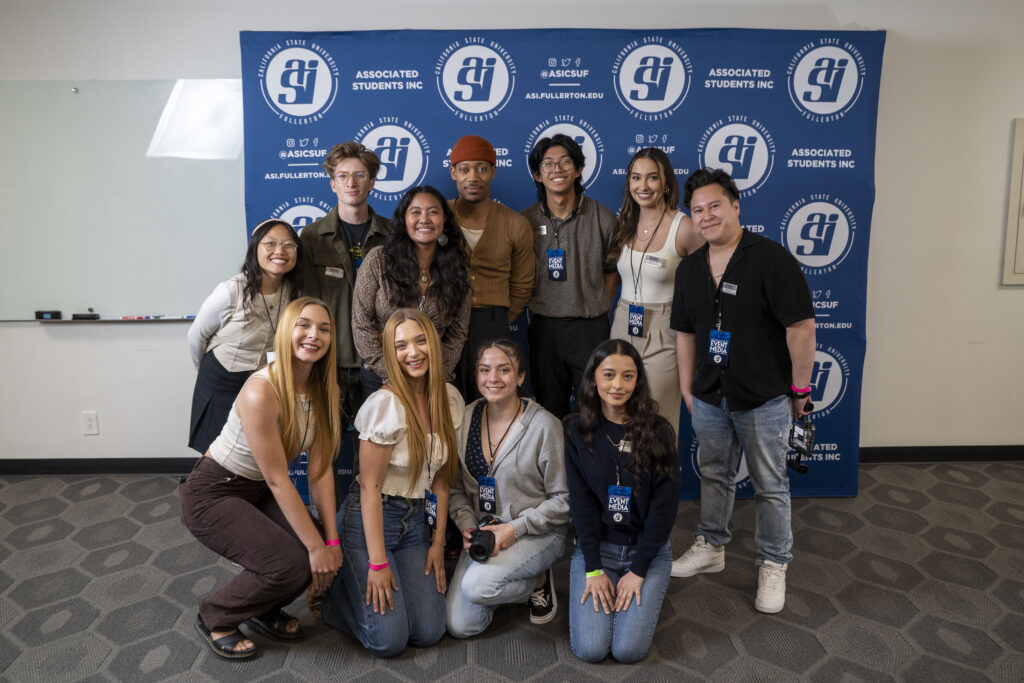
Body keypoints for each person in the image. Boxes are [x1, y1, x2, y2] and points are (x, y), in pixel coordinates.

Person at [669, 168, 815, 614]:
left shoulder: (771, 259)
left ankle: (774, 562)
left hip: (764, 396)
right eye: (697, 210)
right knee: (714, 473)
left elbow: (801, 328)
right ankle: (712, 545)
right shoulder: (691, 267)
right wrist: (687, 389)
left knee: (770, 485)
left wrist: (800, 389)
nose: (707, 216)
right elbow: (686, 334)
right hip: (711, 395)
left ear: (736, 206)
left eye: (715, 205)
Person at [180, 297, 343, 660]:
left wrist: (330, 540)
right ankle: (215, 615)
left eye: (324, 328)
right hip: (213, 492)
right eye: (303, 325)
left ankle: (262, 608)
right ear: (286, 331)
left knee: (309, 544)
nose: (313, 335)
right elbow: (278, 480)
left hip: (255, 489)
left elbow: (319, 471)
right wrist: (318, 549)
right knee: (292, 560)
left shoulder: (323, 389)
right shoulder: (261, 390)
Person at [320, 308, 464, 657]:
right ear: (390, 352)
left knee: (430, 631)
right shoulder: (384, 405)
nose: (412, 353)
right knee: (389, 641)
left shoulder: (449, 399)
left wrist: (438, 542)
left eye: (419, 341)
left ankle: (369, 587)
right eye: (401, 346)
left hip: (415, 523)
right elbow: (369, 487)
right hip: (370, 522)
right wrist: (378, 564)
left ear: (432, 342)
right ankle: (337, 598)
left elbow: (442, 483)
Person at [564, 339, 680, 663]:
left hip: (648, 551)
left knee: (628, 651)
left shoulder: (659, 432)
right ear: (593, 379)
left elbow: (664, 507)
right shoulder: (576, 430)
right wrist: (593, 569)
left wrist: (639, 569)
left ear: (638, 380)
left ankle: (642, 588)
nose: (618, 385)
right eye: (609, 374)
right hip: (598, 546)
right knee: (591, 649)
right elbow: (581, 504)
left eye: (628, 376)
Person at [446, 340, 569, 637]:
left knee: (477, 586)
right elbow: (455, 489)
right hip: (486, 532)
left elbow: (565, 500)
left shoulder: (544, 427)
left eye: (504, 370)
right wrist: (466, 525)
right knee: (460, 626)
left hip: (537, 531)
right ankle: (507, 580)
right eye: (485, 370)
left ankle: (538, 578)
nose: (493, 378)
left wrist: (515, 529)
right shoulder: (464, 419)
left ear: (521, 377)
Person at [522, 134, 618, 419]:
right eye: (548, 164)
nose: (557, 169)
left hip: (590, 328)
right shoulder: (524, 221)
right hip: (545, 329)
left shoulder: (603, 217)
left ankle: (590, 464)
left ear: (578, 169)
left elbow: (612, 272)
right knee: (550, 412)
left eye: (565, 162)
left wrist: (596, 305)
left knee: (595, 410)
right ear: (538, 174)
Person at [187, 219, 302, 454]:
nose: (279, 251)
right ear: (255, 248)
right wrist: (207, 373)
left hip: (262, 382)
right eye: (270, 243)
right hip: (221, 379)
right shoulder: (232, 290)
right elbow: (196, 336)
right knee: (216, 455)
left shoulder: (293, 291)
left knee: (257, 453)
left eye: (288, 245)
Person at [610, 148, 703, 427]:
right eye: (636, 178)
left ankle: (661, 472)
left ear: (666, 183)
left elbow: (707, 286)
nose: (643, 186)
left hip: (665, 330)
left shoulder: (684, 227)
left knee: (658, 420)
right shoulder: (624, 224)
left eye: (652, 178)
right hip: (622, 325)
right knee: (620, 418)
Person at [352, 186, 471, 398]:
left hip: (432, 380)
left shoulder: (458, 269)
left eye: (433, 212)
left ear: (444, 221)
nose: (424, 218)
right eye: (415, 212)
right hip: (381, 378)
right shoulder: (379, 260)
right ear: (403, 220)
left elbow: (457, 334)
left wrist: (436, 375)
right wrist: (391, 374)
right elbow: (361, 323)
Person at [301, 141, 390, 420]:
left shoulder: (393, 236)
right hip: (329, 360)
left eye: (360, 175)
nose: (351, 182)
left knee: (378, 444)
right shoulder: (311, 238)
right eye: (342, 176)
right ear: (332, 184)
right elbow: (304, 303)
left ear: (372, 182)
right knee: (324, 445)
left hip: (379, 361)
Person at [446, 135, 534, 401]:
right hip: (446, 322)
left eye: (482, 168)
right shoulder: (438, 217)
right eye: (464, 169)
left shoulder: (515, 224)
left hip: (493, 322)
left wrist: (497, 319)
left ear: (493, 171)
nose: (473, 176)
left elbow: (523, 284)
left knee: (493, 400)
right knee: (447, 398)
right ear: (453, 173)